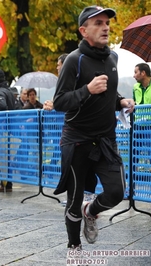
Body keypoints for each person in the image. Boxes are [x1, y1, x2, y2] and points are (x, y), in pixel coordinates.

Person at [52, 6, 135, 252]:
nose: (106, 27)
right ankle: (74, 247)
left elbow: (108, 90)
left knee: (117, 192)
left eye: (107, 22)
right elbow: (59, 102)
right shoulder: (73, 60)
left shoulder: (113, 58)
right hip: (77, 139)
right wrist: (87, 89)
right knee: (74, 198)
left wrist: (120, 100)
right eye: (98, 23)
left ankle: (92, 210)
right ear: (83, 30)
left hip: (106, 139)